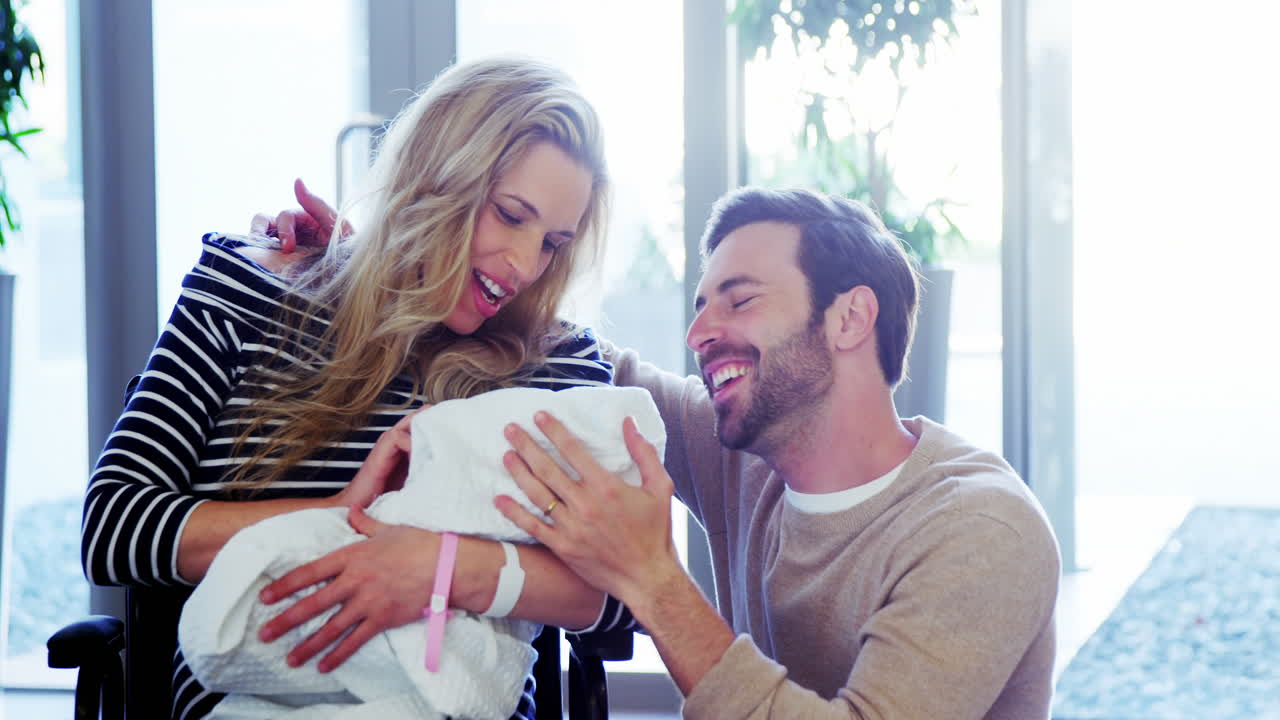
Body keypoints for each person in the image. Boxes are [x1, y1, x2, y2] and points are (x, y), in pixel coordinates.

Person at [265, 186, 1062, 718]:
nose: (699, 331)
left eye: (739, 298)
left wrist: (649, 577)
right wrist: (372, 259)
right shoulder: (743, 452)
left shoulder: (981, 532)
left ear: (851, 319)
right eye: (700, 303)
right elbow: (573, 353)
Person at [81, 56, 631, 720]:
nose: (524, 265)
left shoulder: (558, 366)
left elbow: (619, 604)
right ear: (436, 175)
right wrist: (344, 515)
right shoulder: (248, 289)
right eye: (511, 214)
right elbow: (113, 528)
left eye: (553, 243)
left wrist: (443, 567)